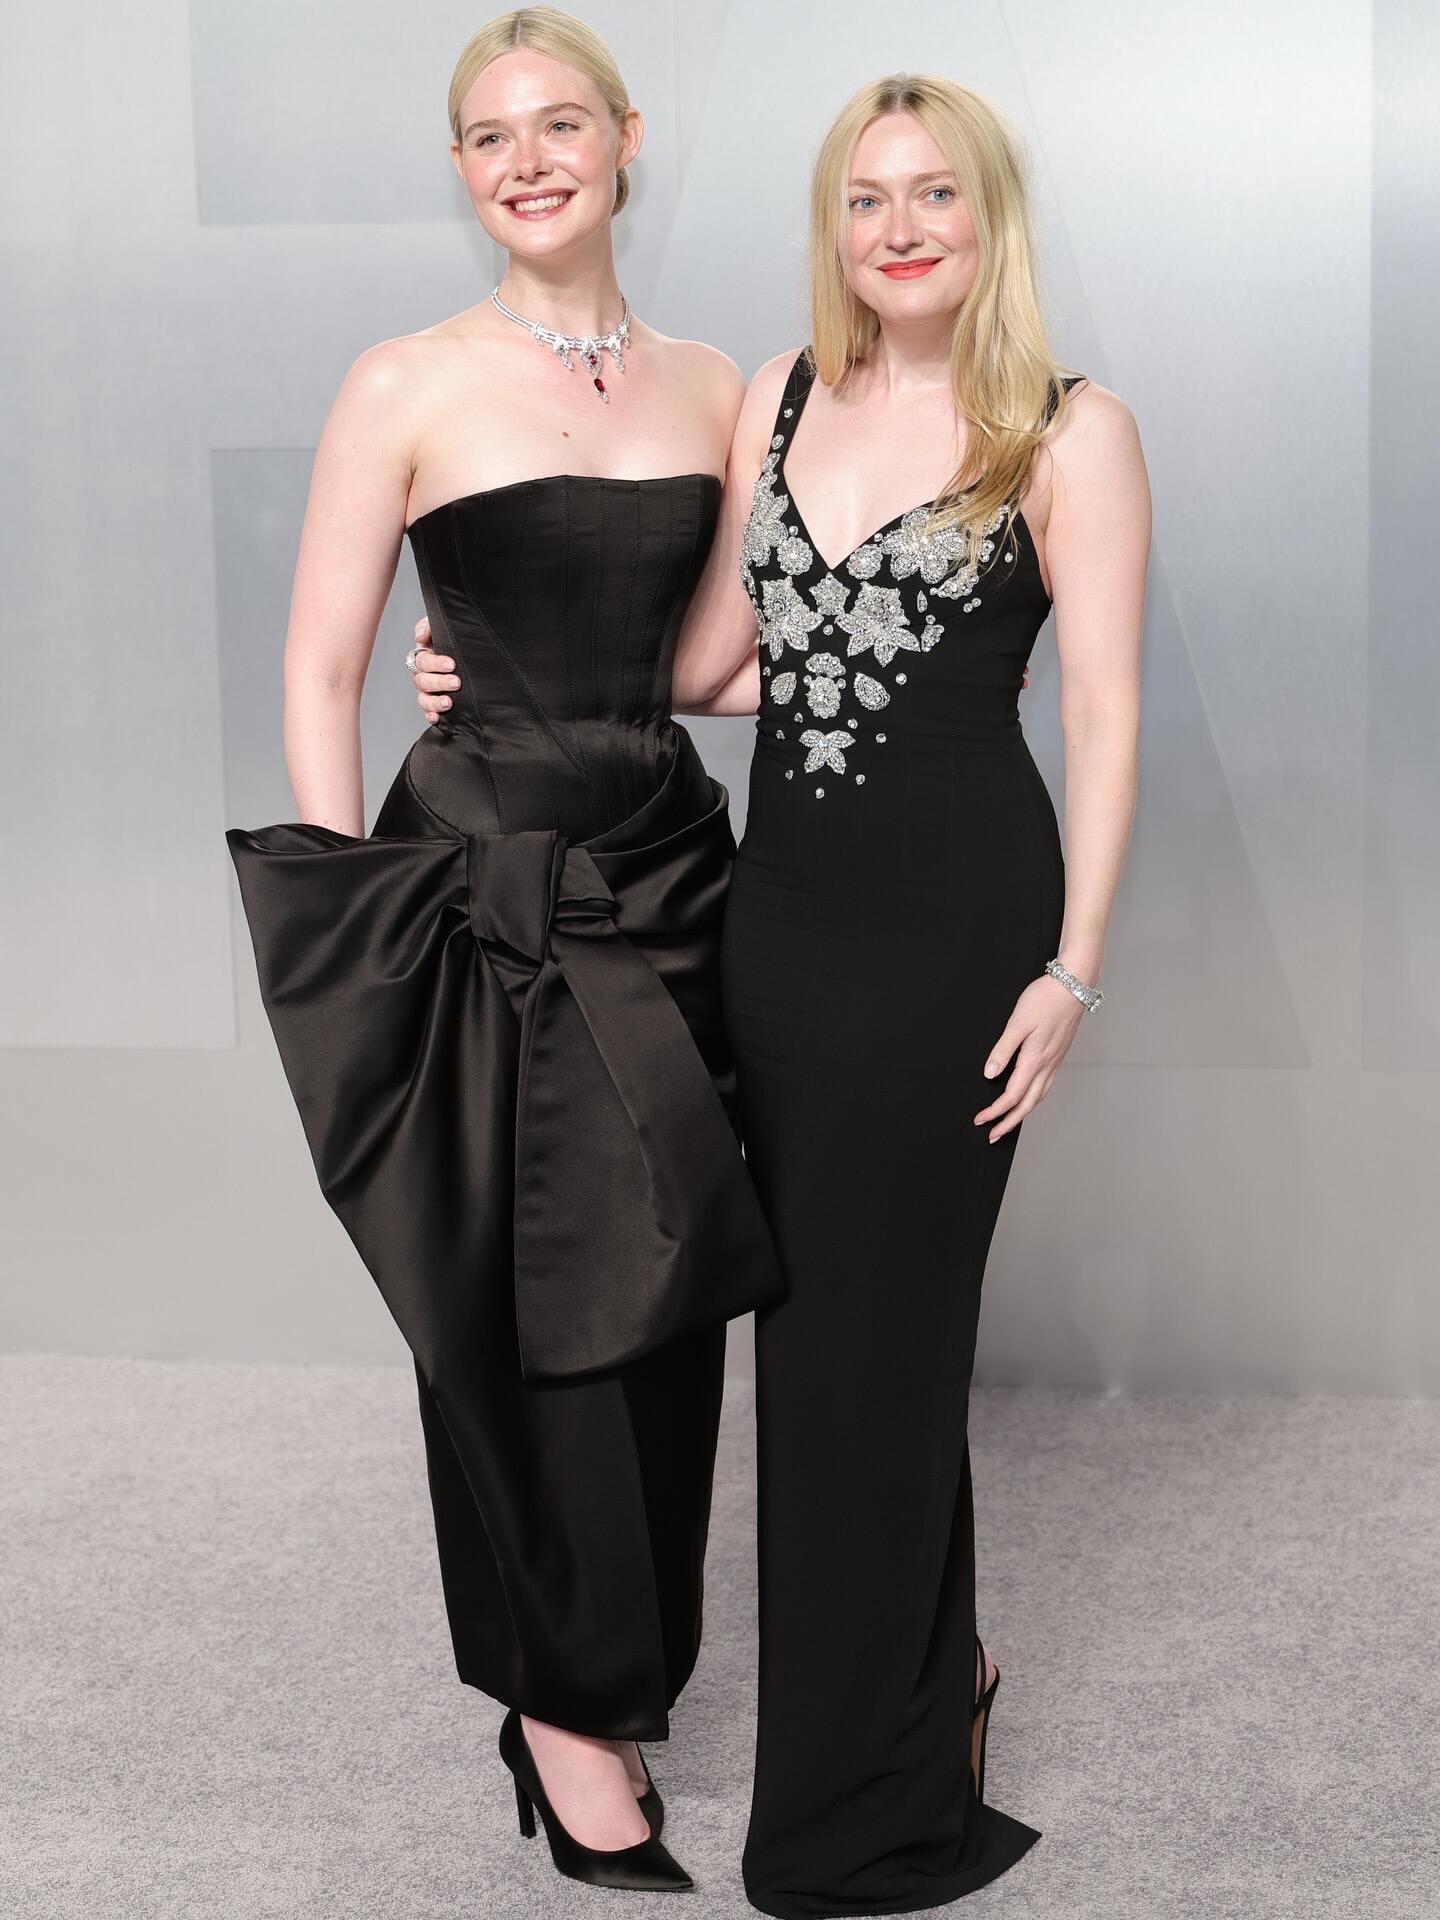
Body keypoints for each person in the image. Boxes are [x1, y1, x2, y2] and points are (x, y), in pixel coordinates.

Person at [413, 67, 1149, 1917]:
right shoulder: (783, 396)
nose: (900, 228)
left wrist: (1073, 966)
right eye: (864, 198)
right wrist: (499, 668)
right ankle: (939, 1675)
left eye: (935, 194)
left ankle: (856, 1814)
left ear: (988, 219)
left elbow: (1107, 709)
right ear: (835, 227)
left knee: (875, 1357)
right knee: (816, 1336)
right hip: (782, 929)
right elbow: (715, 665)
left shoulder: (1070, 431)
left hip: (959, 931)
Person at [225, 8, 783, 1894]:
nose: (528, 160)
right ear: (462, 171)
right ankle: (558, 1713)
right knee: (518, 1303)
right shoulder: (404, 380)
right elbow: (320, 664)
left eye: (560, 125)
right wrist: (362, 916)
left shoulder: (715, 382)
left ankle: (625, 1667)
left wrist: (916, 665)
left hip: (672, 873)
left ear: (624, 140)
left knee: (673, 1290)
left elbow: (701, 667)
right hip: (484, 886)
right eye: (489, 136)